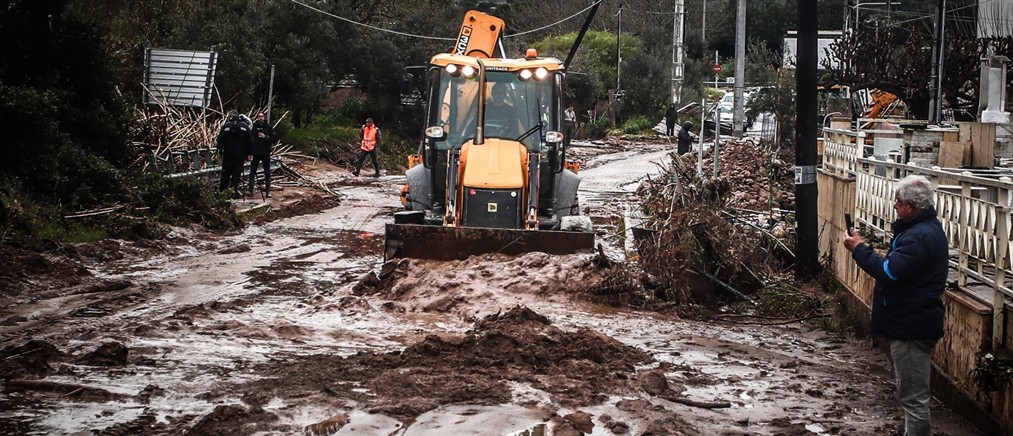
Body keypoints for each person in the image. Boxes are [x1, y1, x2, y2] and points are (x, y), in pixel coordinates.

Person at [843, 175, 948, 436]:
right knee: (911, 396)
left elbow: (890, 272)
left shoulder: (917, 237)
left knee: (913, 399)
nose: (894, 205)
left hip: (911, 327)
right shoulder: (923, 230)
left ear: (911, 206)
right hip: (912, 322)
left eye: (898, 201)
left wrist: (859, 250)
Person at [216, 110, 252, 195]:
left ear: (230, 117)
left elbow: (220, 140)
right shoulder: (245, 127)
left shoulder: (225, 127)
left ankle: (222, 193)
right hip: (240, 155)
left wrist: (220, 152)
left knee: (225, 174)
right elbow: (250, 141)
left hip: (228, 154)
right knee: (236, 174)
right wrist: (249, 153)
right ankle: (232, 192)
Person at [249, 111, 275, 198]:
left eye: (262, 116)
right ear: (257, 117)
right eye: (259, 116)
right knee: (252, 172)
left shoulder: (268, 126)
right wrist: (250, 152)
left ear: (264, 117)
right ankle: (250, 191)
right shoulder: (253, 126)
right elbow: (250, 139)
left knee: (267, 172)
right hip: (255, 153)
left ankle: (268, 192)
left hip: (265, 153)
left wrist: (265, 137)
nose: (260, 118)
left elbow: (273, 138)